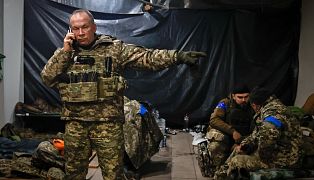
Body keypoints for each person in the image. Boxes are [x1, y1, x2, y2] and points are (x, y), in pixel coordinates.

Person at [40, 9, 206, 179]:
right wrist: (65, 51)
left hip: (107, 125)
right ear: (70, 30)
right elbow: (47, 77)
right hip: (76, 124)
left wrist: (178, 56)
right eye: (76, 28)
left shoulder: (114, 49)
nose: (81, 33)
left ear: (94, 27)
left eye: (85, 27)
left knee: (114, 175)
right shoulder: (66, 54)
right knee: (74, 174)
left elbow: (147, 58)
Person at [214, 87, 303, 179]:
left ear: (255, 105)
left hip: (286, 159)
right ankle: (220, 175)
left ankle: (221, 176)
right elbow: (257, 134)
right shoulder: (272, 106)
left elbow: (267, 142)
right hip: (280, 152)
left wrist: (252, 153)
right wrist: (244, 145)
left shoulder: (272, 113)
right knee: (239, 149)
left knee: (237, 161)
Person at [202, 84, 255, 177]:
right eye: (240, 97)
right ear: (233, 96)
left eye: (246, 97)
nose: (243, 100)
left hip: (246, 138)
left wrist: (243, 140)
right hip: (227, 136)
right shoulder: (225, 103)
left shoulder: (253, 105)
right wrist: (232, 131)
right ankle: (217, 170)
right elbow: (214, 120)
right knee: (215, 146)